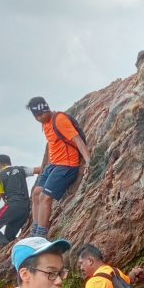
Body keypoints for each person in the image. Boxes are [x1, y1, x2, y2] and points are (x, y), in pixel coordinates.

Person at [26, 96, 90, 238]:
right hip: (53, 165)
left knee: (45, 197)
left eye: (40, 115)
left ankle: (41, 235)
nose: (39, 118)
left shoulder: (60, 120)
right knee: (36, 193)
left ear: (45, 110)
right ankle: (35, 230)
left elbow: (78, 140)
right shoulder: (45, 124)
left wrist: (88, 161)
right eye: (36, 117)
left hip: (67, 166)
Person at [0, 154, 40, 246]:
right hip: (25, 208)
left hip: (12, 206)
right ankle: (12, 247)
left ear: (0, 165)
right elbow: (40, 170)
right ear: (9, 163)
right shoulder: (20, 169)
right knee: (9, 236)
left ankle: (8, 248)